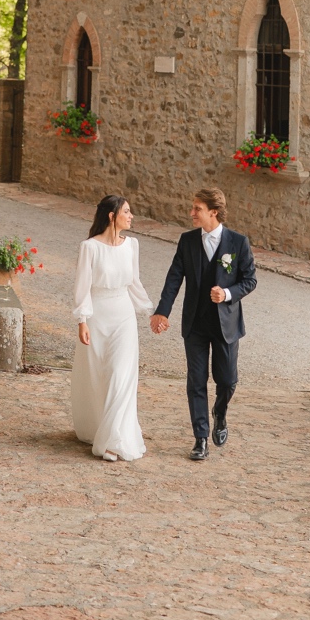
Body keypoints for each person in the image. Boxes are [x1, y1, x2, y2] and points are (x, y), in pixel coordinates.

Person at [150, 186, 257, 461]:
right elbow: (174, 278)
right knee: (196, 381)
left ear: (214, 212)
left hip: (226, 325)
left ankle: (220, 412)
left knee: (228, 380)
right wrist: (162, 312)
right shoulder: (187, 241)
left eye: (197, 208)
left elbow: (250, 280)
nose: (192, 213)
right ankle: (200, 438)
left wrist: (228, 293)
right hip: (195, 323)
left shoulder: (238, 242)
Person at [71, 194, 154, 461]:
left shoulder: (132, 245)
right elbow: (83, 287)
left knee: (120, 374)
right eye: (126, 211)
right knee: (100, 376)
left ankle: (112, 440)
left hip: (124, 317)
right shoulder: (90, 247)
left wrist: (152, 311)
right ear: (112, 215)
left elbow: (134, 283)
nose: (131, 216)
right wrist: (82, 321)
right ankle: (101, 427)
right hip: (98, 316)